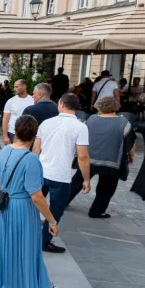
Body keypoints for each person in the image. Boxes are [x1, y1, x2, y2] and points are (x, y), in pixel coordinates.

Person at [0, 115, 65, 288]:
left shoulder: (4, 150)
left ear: (15, 131)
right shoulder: (31, 159)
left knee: (14, 248)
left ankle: (42, 283)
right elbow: (37, 196)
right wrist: (52, 221)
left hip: (6, 207)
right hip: (22, 209)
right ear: (34, 135)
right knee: (24, 248)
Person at [33, 93, 91, 253]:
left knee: (33, 203)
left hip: (41, 171)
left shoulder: (46, 123)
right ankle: (44, 241)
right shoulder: (80, 127)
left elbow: (36, 149)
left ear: (61, 104)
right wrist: (86, 179)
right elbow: (83, 156)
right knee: (56, 209)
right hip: (61, 175)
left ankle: (28, 234)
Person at [66, 96, 135, 219]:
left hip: (89, 158)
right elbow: (130, 143)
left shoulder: (91, 119)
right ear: (116, 106)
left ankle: (63, 202)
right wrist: (130, 156)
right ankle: (96, 211)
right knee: (107, 187)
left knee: (77, 181)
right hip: (112, 161)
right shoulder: (124, 123)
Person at [2, 80, 34, 145]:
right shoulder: (11, 101)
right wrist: (5, 136)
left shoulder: (32, 100)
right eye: (14, 87)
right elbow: (5, 119)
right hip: (12, 133)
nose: (14, 89)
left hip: (29, 133)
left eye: (16, 87)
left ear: (24, 86)